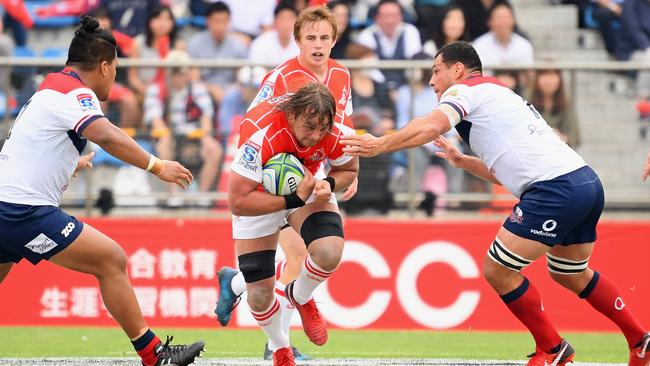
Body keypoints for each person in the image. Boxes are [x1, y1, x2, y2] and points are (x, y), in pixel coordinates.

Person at [341, 41, 650, 366]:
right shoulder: (499, 94)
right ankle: (640, 341)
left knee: (498, 269)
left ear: (457, 70)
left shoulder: (464, 92)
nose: (432, 81)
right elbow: (508, 172)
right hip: (585, 182)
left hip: (555, 189)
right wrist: (463, 161)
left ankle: (553, 348)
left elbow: (431, 125)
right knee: (571, 273)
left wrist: (381, 144)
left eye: (436, 71)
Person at [0, 16, 204, 366]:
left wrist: (69, 163)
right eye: (116, 68)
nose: (115, 76)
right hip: (24, 212)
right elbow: (108, 136)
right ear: (105, 66)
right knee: (112, 260)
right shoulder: (75, 93)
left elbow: (30, 145)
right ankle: (154, 354)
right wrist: (158, 166)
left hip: (8, 206)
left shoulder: (51, 87)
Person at [215, 7, 358, 360]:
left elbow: (344, 132)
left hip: (309, 175)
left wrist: (333, 179)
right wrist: (290, 193)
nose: (318, 45)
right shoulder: (282, 83)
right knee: (273, 276)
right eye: (310, 37)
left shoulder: (341, 75)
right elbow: (240, 189)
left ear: (335, 41)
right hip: (266, 177)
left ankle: (291, 302)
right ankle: (275, 336)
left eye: (325, 37)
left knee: (319, 251)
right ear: (297, 41)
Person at [229, 83, 358, 366]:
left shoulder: (335, 131)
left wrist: (329, 183)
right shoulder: (260, 135)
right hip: (258, 192)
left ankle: (299, 295)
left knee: (329, 251)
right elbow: (237, 200)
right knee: (260, 296)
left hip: (306, 182)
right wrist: (291, 201)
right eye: (309, 128)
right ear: (293, 114)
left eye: (321, 130)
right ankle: (280, 347)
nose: (315, 137)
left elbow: (349, 169)